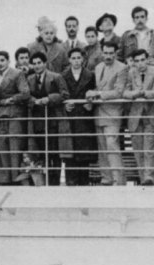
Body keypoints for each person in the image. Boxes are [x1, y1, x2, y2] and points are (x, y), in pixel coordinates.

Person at [86, 41, 128, 186]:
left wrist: (97, 94)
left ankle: (119, 180)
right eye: (106, 53)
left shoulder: (122, 68)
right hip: (98, 113)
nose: (108, 56)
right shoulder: (98, 67)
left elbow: (118, 91)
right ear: (102, 52)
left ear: (116, 53)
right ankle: (107, 178)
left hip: (112, 113)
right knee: (102, 148)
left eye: (111, 53)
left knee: (112, 146)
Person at [27, 51, 69, 185]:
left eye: (39, 63)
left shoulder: (56, 77)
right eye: (34, 64)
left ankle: (55, 183)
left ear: (45, 63)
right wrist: (33, 100)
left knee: (54, 153)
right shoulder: (30, 79)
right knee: (41, 153)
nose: (37, 66)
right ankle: (44, 182)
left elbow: (64, 94)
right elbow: (26, 95)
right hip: (37, 122)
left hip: (53, 121)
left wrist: (49, 99)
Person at [62, 47, 98, 185]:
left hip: (84, 117)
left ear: (83, 59)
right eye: (73, 58)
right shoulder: (63, 75)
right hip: (70, 117)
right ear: (69, 60)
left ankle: (84, 183)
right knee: (70, 151)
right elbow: (60, 93)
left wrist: (91, 103)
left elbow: (95, 90)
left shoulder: (90, 75)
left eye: (78, 58)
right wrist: (64, 105)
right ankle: (71, 183)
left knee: (84, 151)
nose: (76, 61)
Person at [123, 48, 154, 185]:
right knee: (138, 149)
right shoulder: (130, 72)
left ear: (147, 59)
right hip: (135, 116)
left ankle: (149, 177)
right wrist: (133, 94)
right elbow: (124, 92)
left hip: (150, 114)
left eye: (142, 60)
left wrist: (144, 93)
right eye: (136, 61)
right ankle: (143, 178)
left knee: (149, 148)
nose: (140, 63)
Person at [0, 50, 30, 185]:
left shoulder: (17, 73)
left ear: (8, 61)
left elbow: (25, 93)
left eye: (2, 60)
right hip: (1, 115)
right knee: (2, 145)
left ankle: (16, 177)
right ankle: (4, 178)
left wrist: (8, 100)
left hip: (15, 113)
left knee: (15, 146)